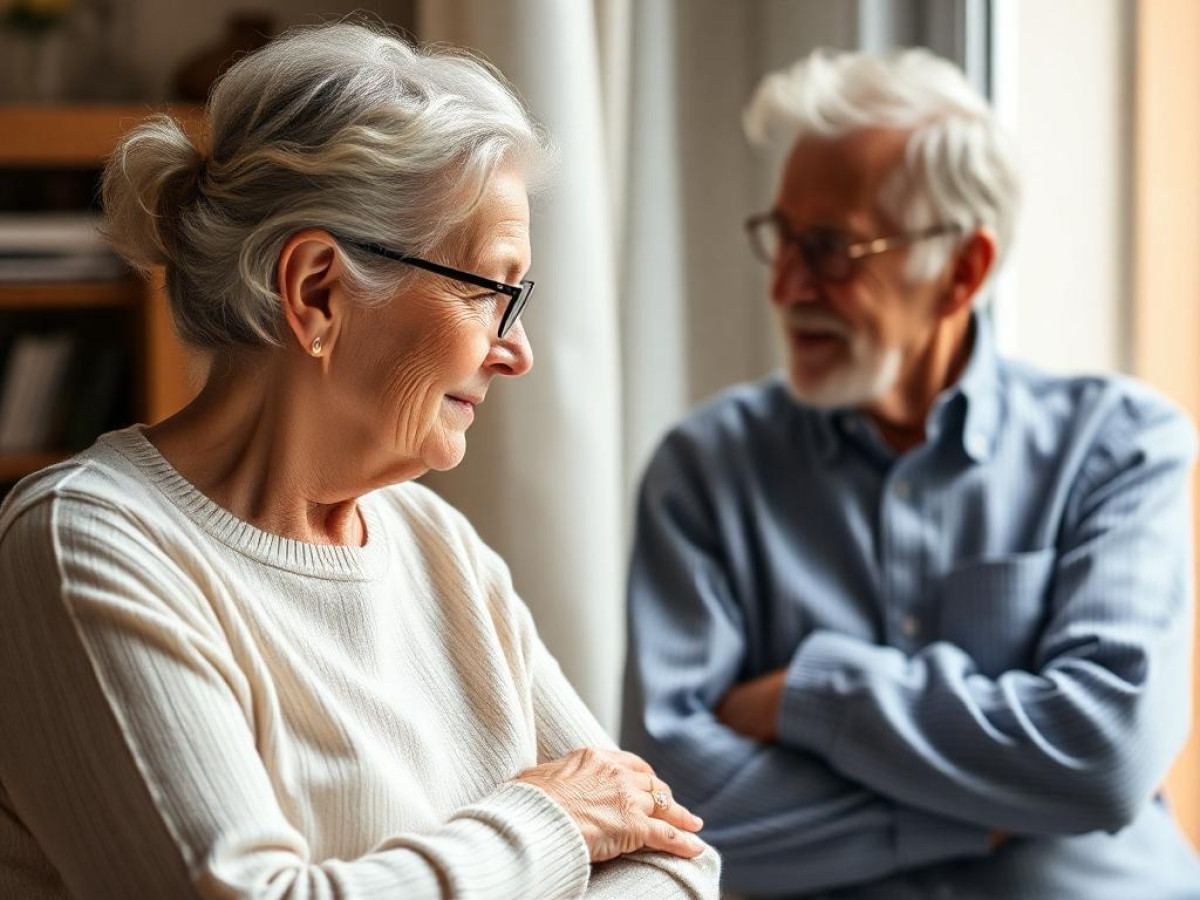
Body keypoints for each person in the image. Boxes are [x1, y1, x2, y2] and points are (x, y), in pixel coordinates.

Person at [0, 23, 719, 900]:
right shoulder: (86, 547)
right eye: (492, 290)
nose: (516, 350)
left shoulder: (434, 542)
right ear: (317, 292)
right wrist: (550, 824)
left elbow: (672, 862)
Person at [622, 47, 1200, 899]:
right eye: (782, 238)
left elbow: (1107, 756)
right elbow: (677, 810)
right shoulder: (705, 471)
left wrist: (811, 696)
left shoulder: (1118, 445)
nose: (784, 286)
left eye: (830, 249)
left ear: (962, 271)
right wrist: (990, 808)